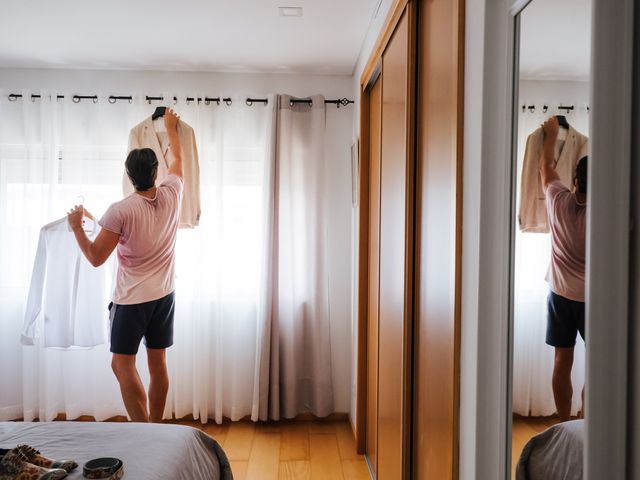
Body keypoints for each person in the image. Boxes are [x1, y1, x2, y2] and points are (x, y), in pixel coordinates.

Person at [67, 108, 184, 422]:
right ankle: (156, 429)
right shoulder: (173, 192)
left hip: (132, 302)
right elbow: (178, 159)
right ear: (155, 171)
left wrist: (77, 227)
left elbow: (95, 257)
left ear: (129, 175)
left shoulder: (120, 210)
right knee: (158, 364)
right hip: (165, 295)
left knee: (122, 365)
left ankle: (143, 430)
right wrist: (172, 128)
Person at [539, 116, 587, 422]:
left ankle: (563, 422)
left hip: (560, 296)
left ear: (576, 181)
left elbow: (546, 168)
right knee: (598, 365)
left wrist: (550, 135)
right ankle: (589, 424)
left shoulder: (559, 200)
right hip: (594, 300)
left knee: (561, 360)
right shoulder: (609, 215)